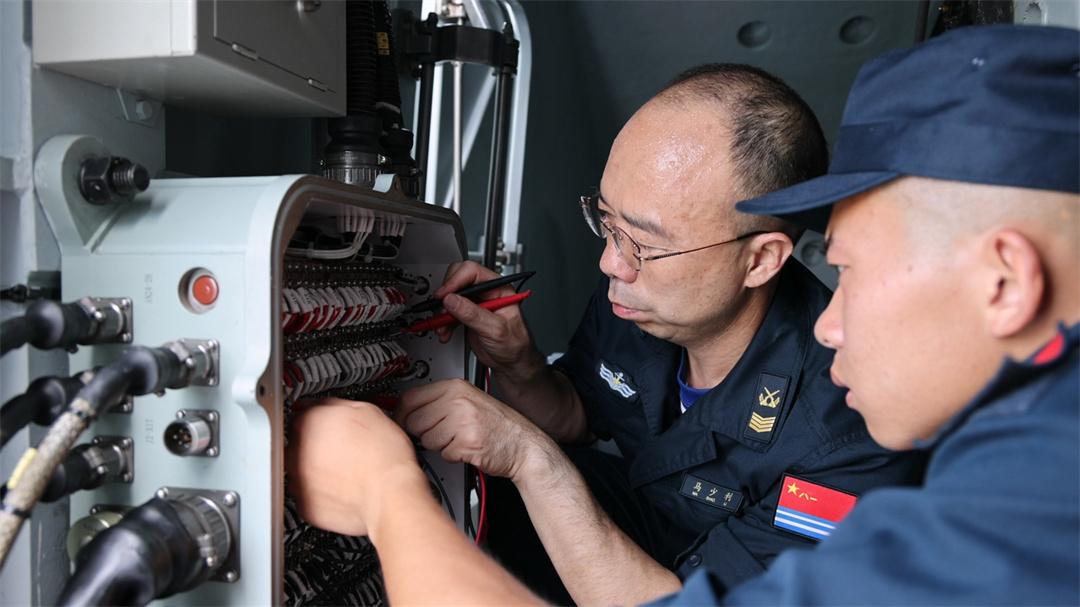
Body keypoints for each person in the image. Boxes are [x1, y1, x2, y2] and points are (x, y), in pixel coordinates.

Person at [289, 23, 1079, 605]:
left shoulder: (929, 467)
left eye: (851, 273)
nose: (613, 263)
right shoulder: (646, 297)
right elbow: (585, 410)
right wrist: (523, 369)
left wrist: (392, 492)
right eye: (608, 224)